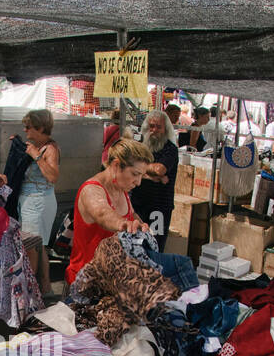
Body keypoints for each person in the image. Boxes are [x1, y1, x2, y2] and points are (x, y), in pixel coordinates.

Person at [68, 138, 151, 285]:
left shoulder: (121, 188)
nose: (138, 182)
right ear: (116, 165)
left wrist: (140, 224)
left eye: (141, 176)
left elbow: (131, 215)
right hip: (87, 282)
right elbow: (103, 214)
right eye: (135, 174)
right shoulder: (91, 190)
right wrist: (124, 224)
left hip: (114, 279)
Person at [18, 109, 60, 293]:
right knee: (39, 245)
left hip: (38, 202)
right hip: (33, 201)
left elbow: (52, 176)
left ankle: (31, 289)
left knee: (32, 246)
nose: (26, 130)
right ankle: (43, 287)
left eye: (29, 127)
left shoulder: (49, 149)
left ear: (41, 127)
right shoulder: (42, 147)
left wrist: (36, 156)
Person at [130, 108, 178, 247]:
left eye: (158, 127)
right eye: (151, 126)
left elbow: (159, 170)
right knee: (135, 244)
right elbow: (130, 167)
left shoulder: (170, 149)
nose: (154, 130)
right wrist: (151, 177)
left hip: (159, 208)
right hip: (138, 204)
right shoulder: (140, 147)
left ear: (165, 129)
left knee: (155, 245)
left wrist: (141, 171)